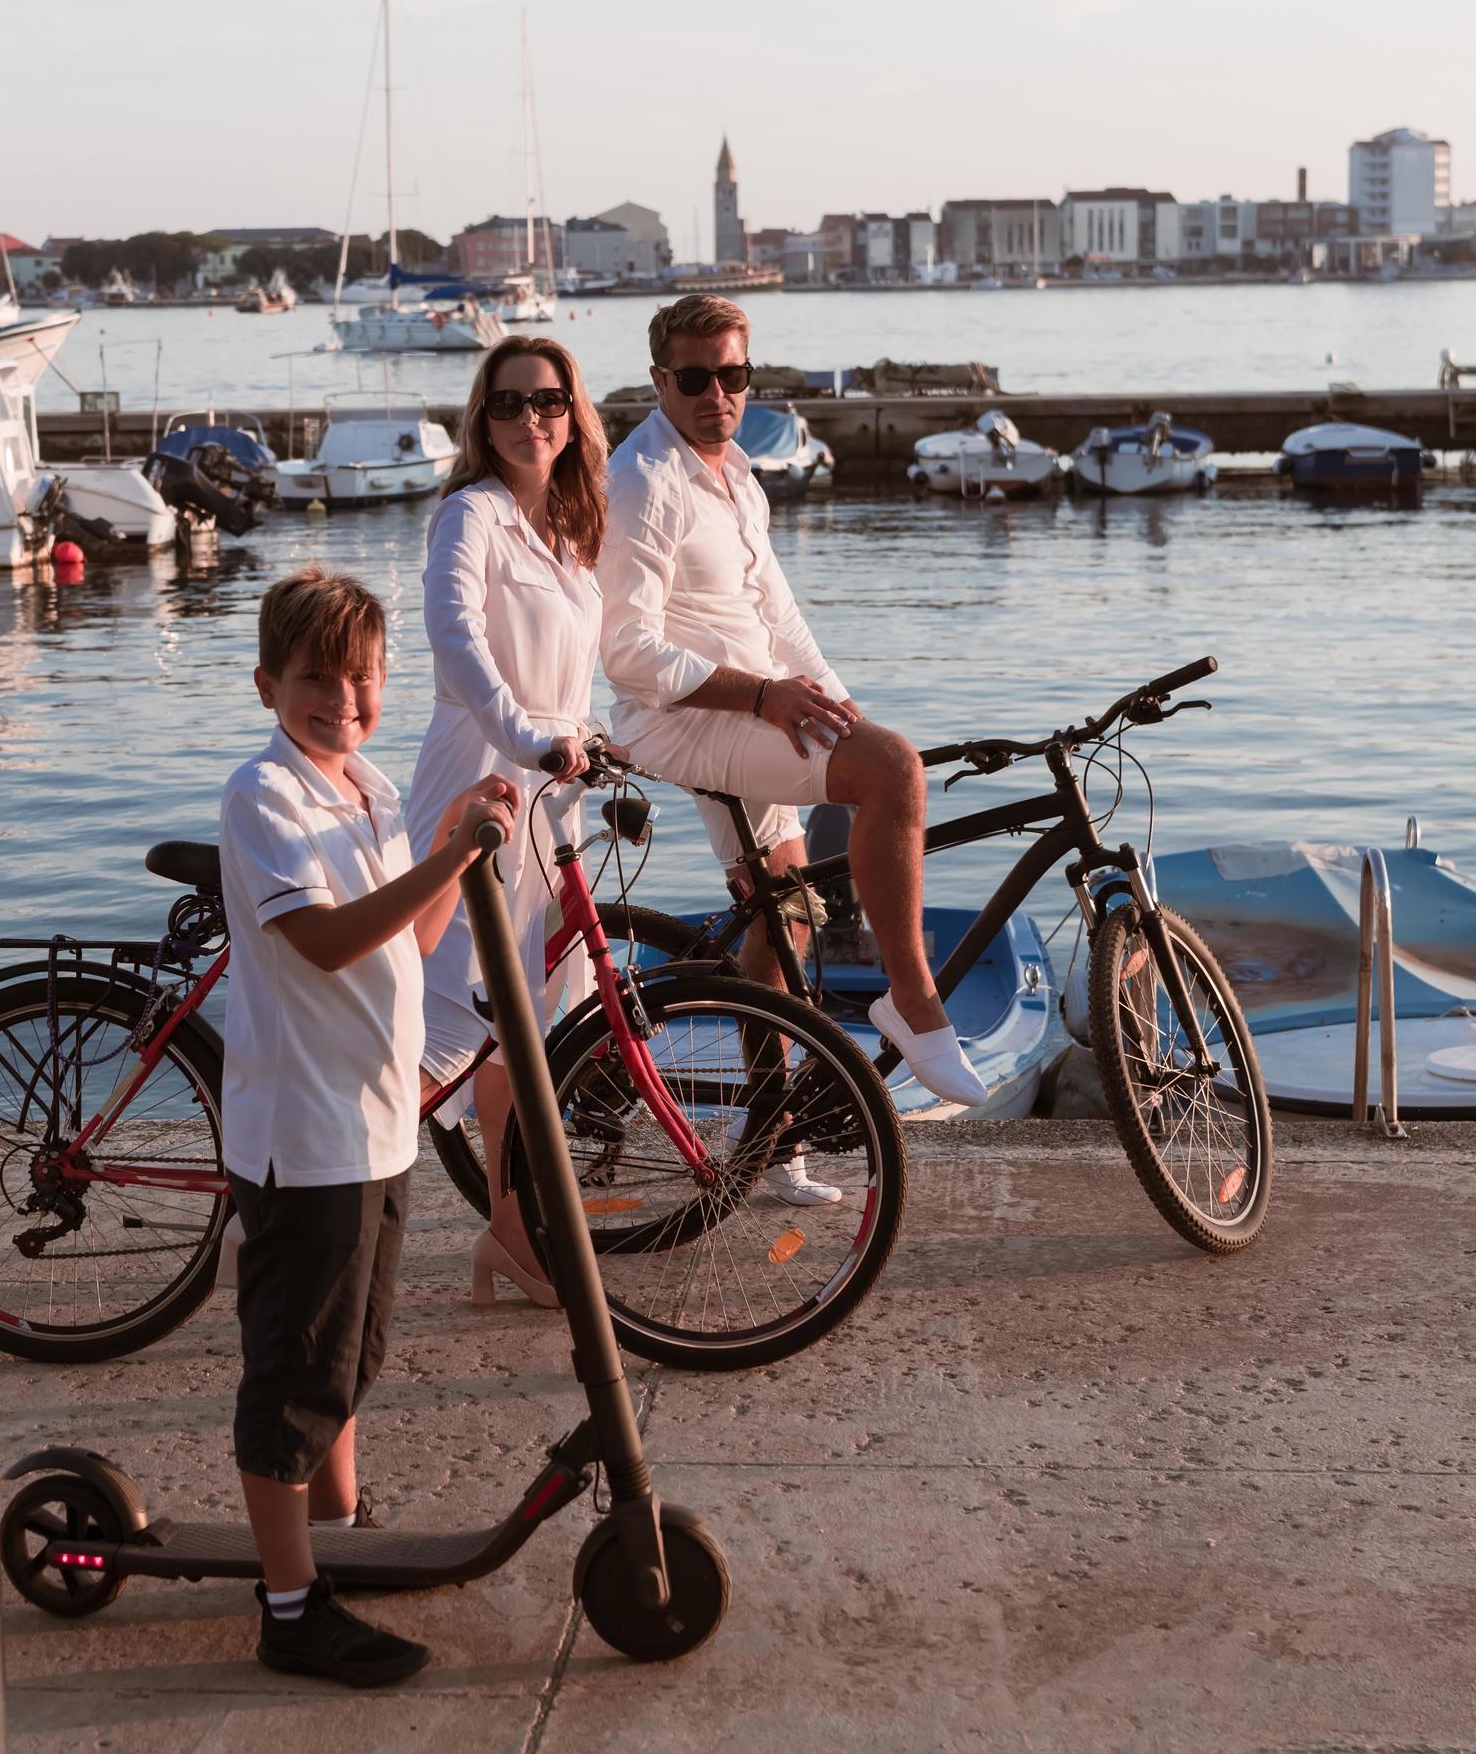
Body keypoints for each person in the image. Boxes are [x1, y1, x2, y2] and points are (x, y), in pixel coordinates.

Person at [215, 568, 516, 1686]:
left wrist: (454, 837)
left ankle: (337, 1543)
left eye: (359, 677)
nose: (339, 698)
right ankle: (290, 1607)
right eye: (312, 679)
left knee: (351, 1354)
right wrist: (447, 850)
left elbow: (413, 935)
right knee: (294, 1372)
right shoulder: (265, 798)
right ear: (266, 685)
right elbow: (330, 942)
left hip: (381, 1124)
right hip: (306, 1133)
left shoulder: (374, 791)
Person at [598, 293, 989, 1119]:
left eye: (734, 375)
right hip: (685, 720)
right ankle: (913, 1004)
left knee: (789, 917)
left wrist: (841, 705)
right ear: (660, 381)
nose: (717, 395)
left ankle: (775, 1137)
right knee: (895, 774)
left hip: (759, 708)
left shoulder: (736, 473)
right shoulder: (641, 483)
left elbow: (778, 616)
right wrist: (767, 697)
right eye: (696, 378)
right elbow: (627, 654)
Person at [406, 335, 609, 1307]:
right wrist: (528, 734)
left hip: (549, 801)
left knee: (518, 1041)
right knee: (437, 1038)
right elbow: (457, 638)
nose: (533, 416)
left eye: (551, 400)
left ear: (573, 415)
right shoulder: (470, 515)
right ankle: (269, 1219)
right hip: (478, 789)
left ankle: (514, 1233)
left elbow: (564, 675)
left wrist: (591, 736)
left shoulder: (567, 536)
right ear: (481, 422)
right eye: (511, 402)